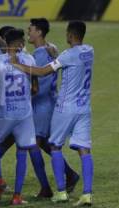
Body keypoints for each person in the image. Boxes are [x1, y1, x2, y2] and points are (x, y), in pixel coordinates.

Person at [11, 21, 94, 206]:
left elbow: (42, 72)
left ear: (71, 36)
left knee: (54, 146)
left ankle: (61, 191)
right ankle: (87, 194)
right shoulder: (90, 51)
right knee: (84, 149)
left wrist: (18, 65)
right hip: (84, 107)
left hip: (65, 107)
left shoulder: (67, 55)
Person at [0, 28, 51, 205]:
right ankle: (17, 195)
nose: (23, 43)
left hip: (4, 112)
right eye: (21, 41)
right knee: (22, 152)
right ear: (18, 44)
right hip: (24, 112)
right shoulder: (29, 59)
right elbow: (35, 88)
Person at [27, 18, 80, 197]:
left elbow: (38, 85)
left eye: (31, 29)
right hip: (50, 102)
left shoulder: (40, 54)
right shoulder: (50, 49)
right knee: (48, 144)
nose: (28, 32)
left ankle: (45, 187)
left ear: (39, 32)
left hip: (41, 105)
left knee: (33, 144)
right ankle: (70, 174)